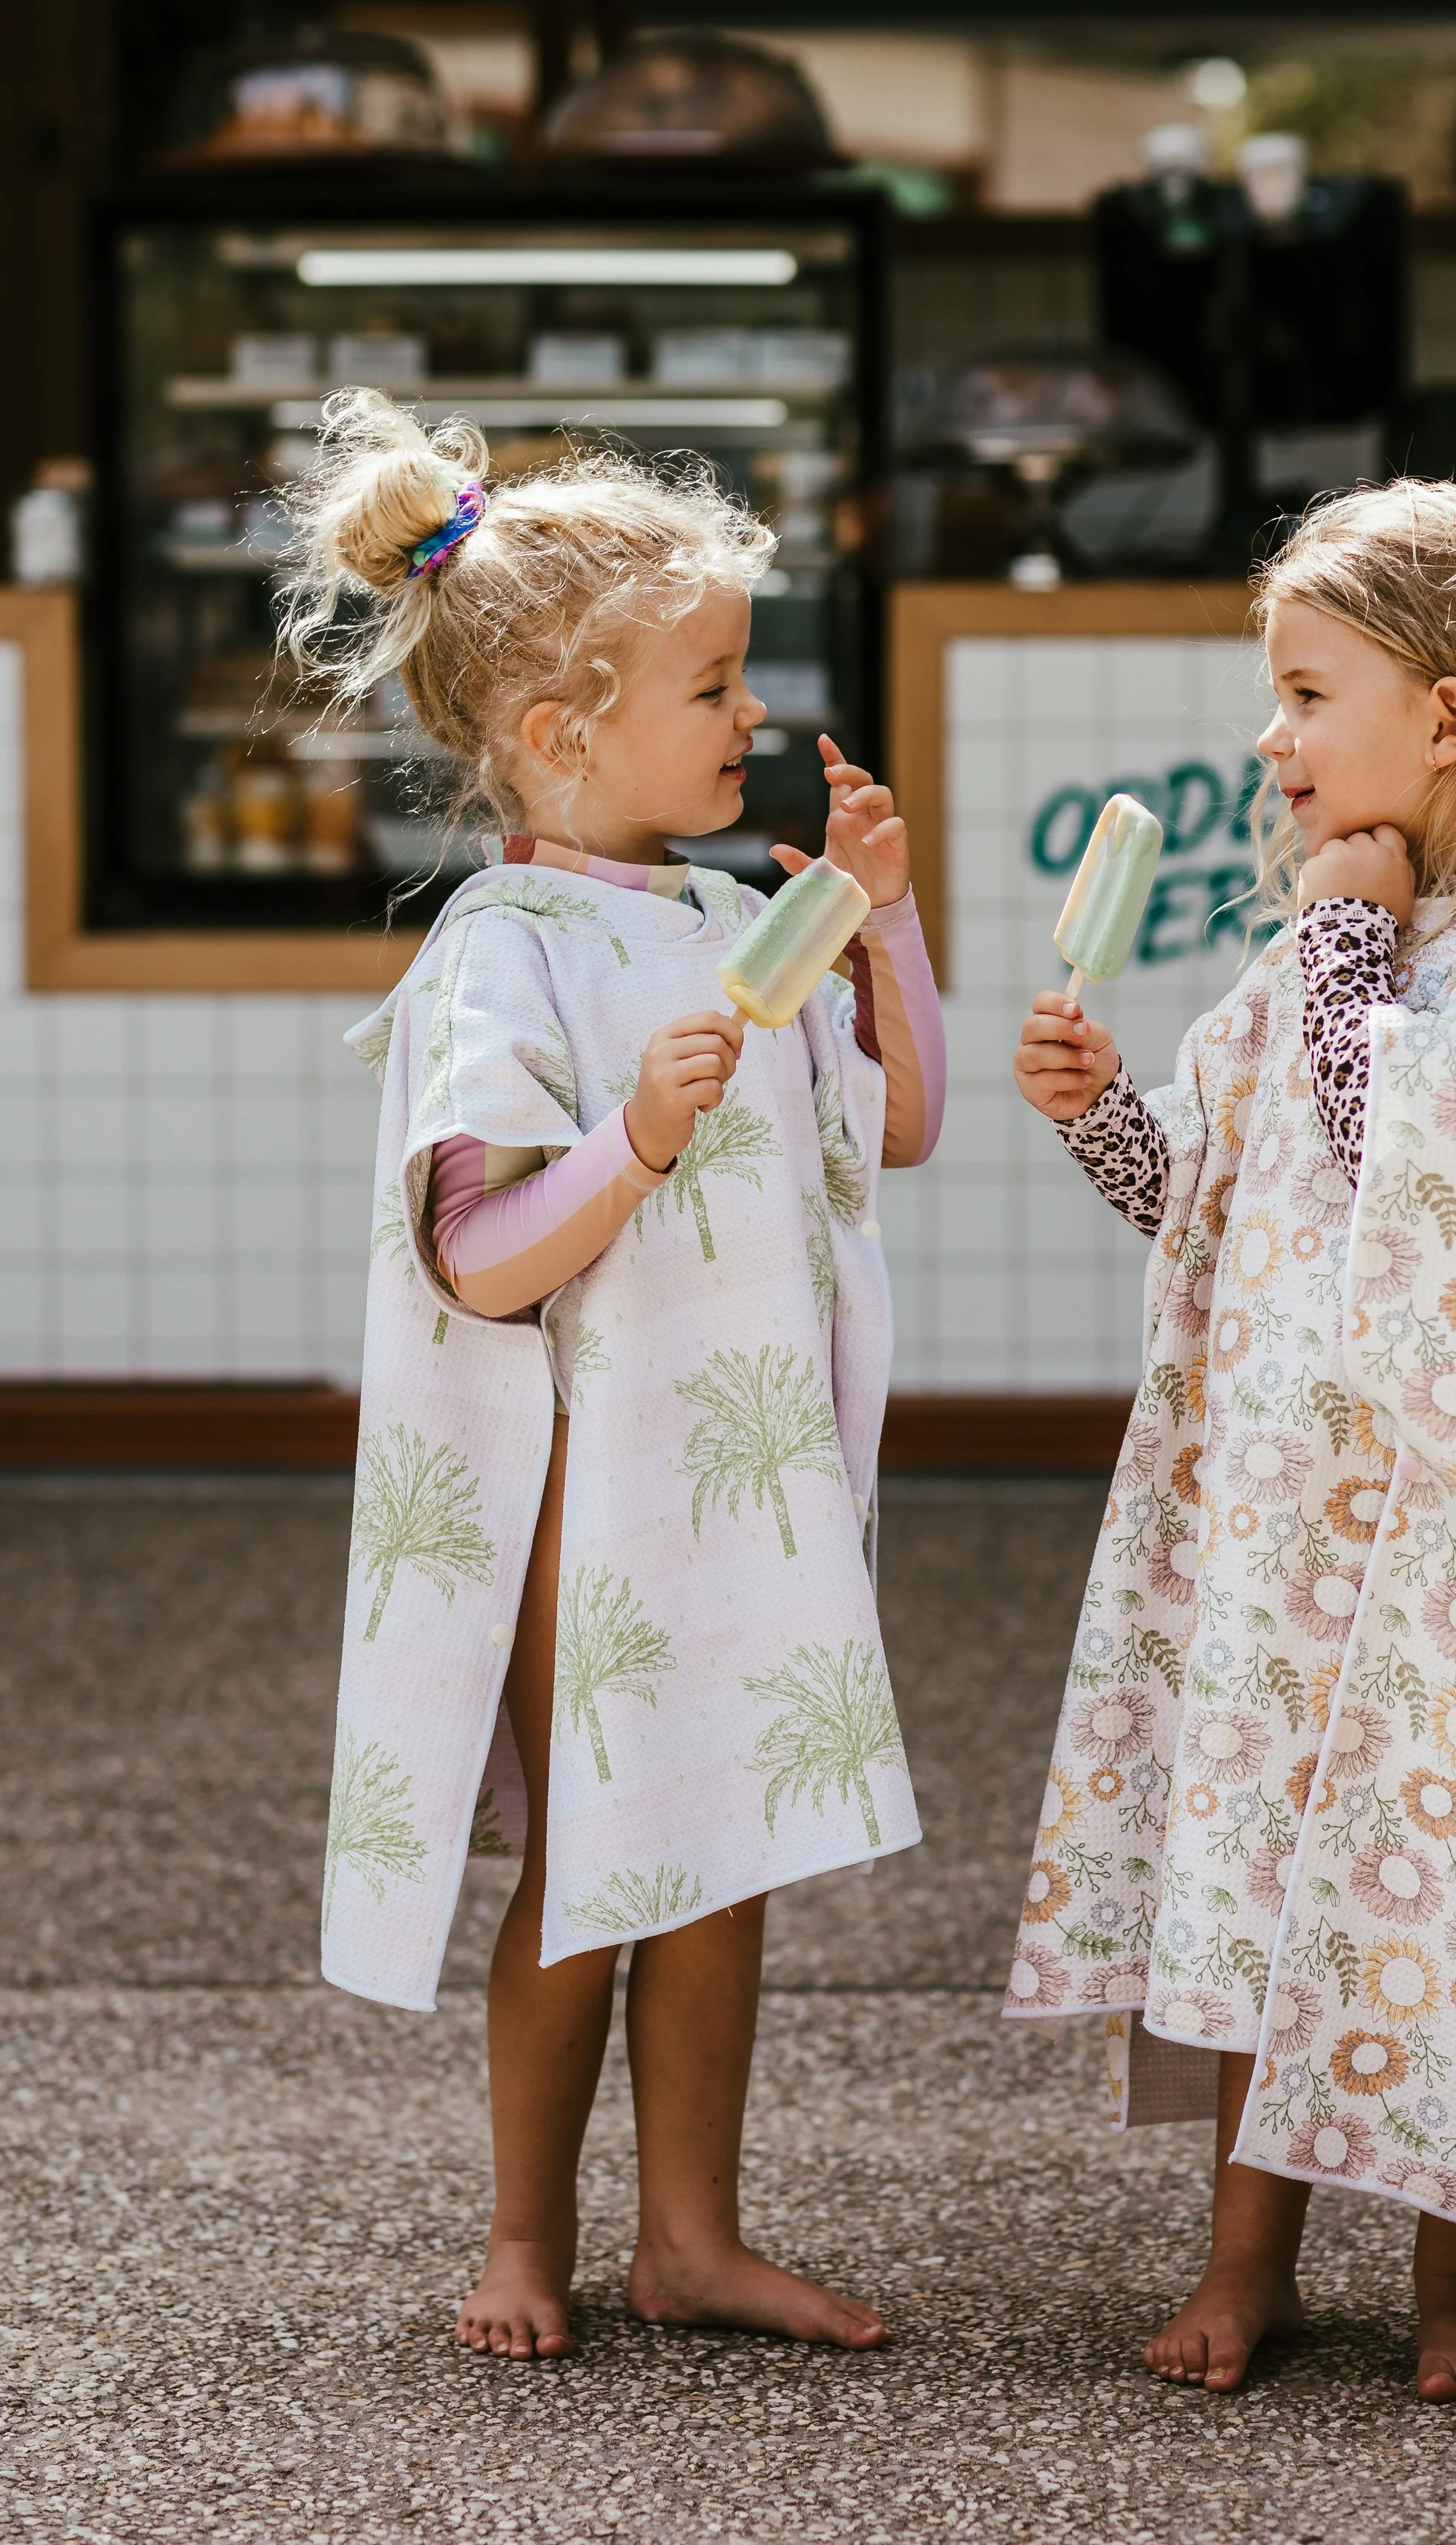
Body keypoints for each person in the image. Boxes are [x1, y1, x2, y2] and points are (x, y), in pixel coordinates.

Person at [1008, 480, 1456, 2405]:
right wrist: (1100, 1120)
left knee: (1444, 1890)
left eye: (1305, 692)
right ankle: (1246, 2254)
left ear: (1446, 723)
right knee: (1254, 1875)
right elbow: (1221, 1201)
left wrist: (1345, 946)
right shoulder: (1297, 969)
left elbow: (1402, 1165)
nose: (1270, 738)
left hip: (1448, 1566)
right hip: (1273, 1543)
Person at [291, 390, 943, 2360]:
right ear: (560, 734)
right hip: (589, 1472)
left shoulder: (748, 911)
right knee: (592, 1856)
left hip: (734, 1479)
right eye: (709, 681)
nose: (746, 715)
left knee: (720, 1842)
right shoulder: (505, 949)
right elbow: (478, 1253)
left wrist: (883, 919)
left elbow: (898, 1120)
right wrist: (632, 1142)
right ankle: (521, 2233)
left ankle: (692, 2234)